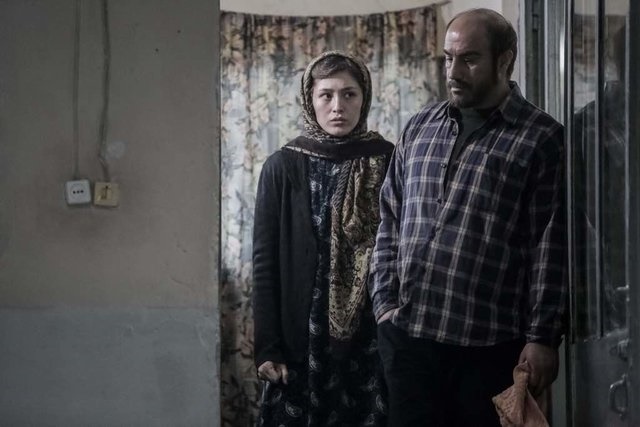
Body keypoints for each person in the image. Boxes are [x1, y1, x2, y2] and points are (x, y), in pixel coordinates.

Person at [369, 8, 567, 427]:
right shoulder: (420, 127)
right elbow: (390, 218)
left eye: (469, 59)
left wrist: (543, 337)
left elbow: (550, 245)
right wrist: (384, 305)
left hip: (489, 347)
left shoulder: (541, 137)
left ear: (504, 60)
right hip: (410, 340)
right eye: (448, 58)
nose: (454, 72)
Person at [252, 51, 393, 426]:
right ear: (309, 99)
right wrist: (268, 347)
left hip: (372, 332)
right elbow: (265, 261)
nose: (337, 106)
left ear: (364, 98)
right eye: (326, 95)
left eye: (349, 94)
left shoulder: (389, 160)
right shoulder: (283, 165)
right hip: (302, 332)